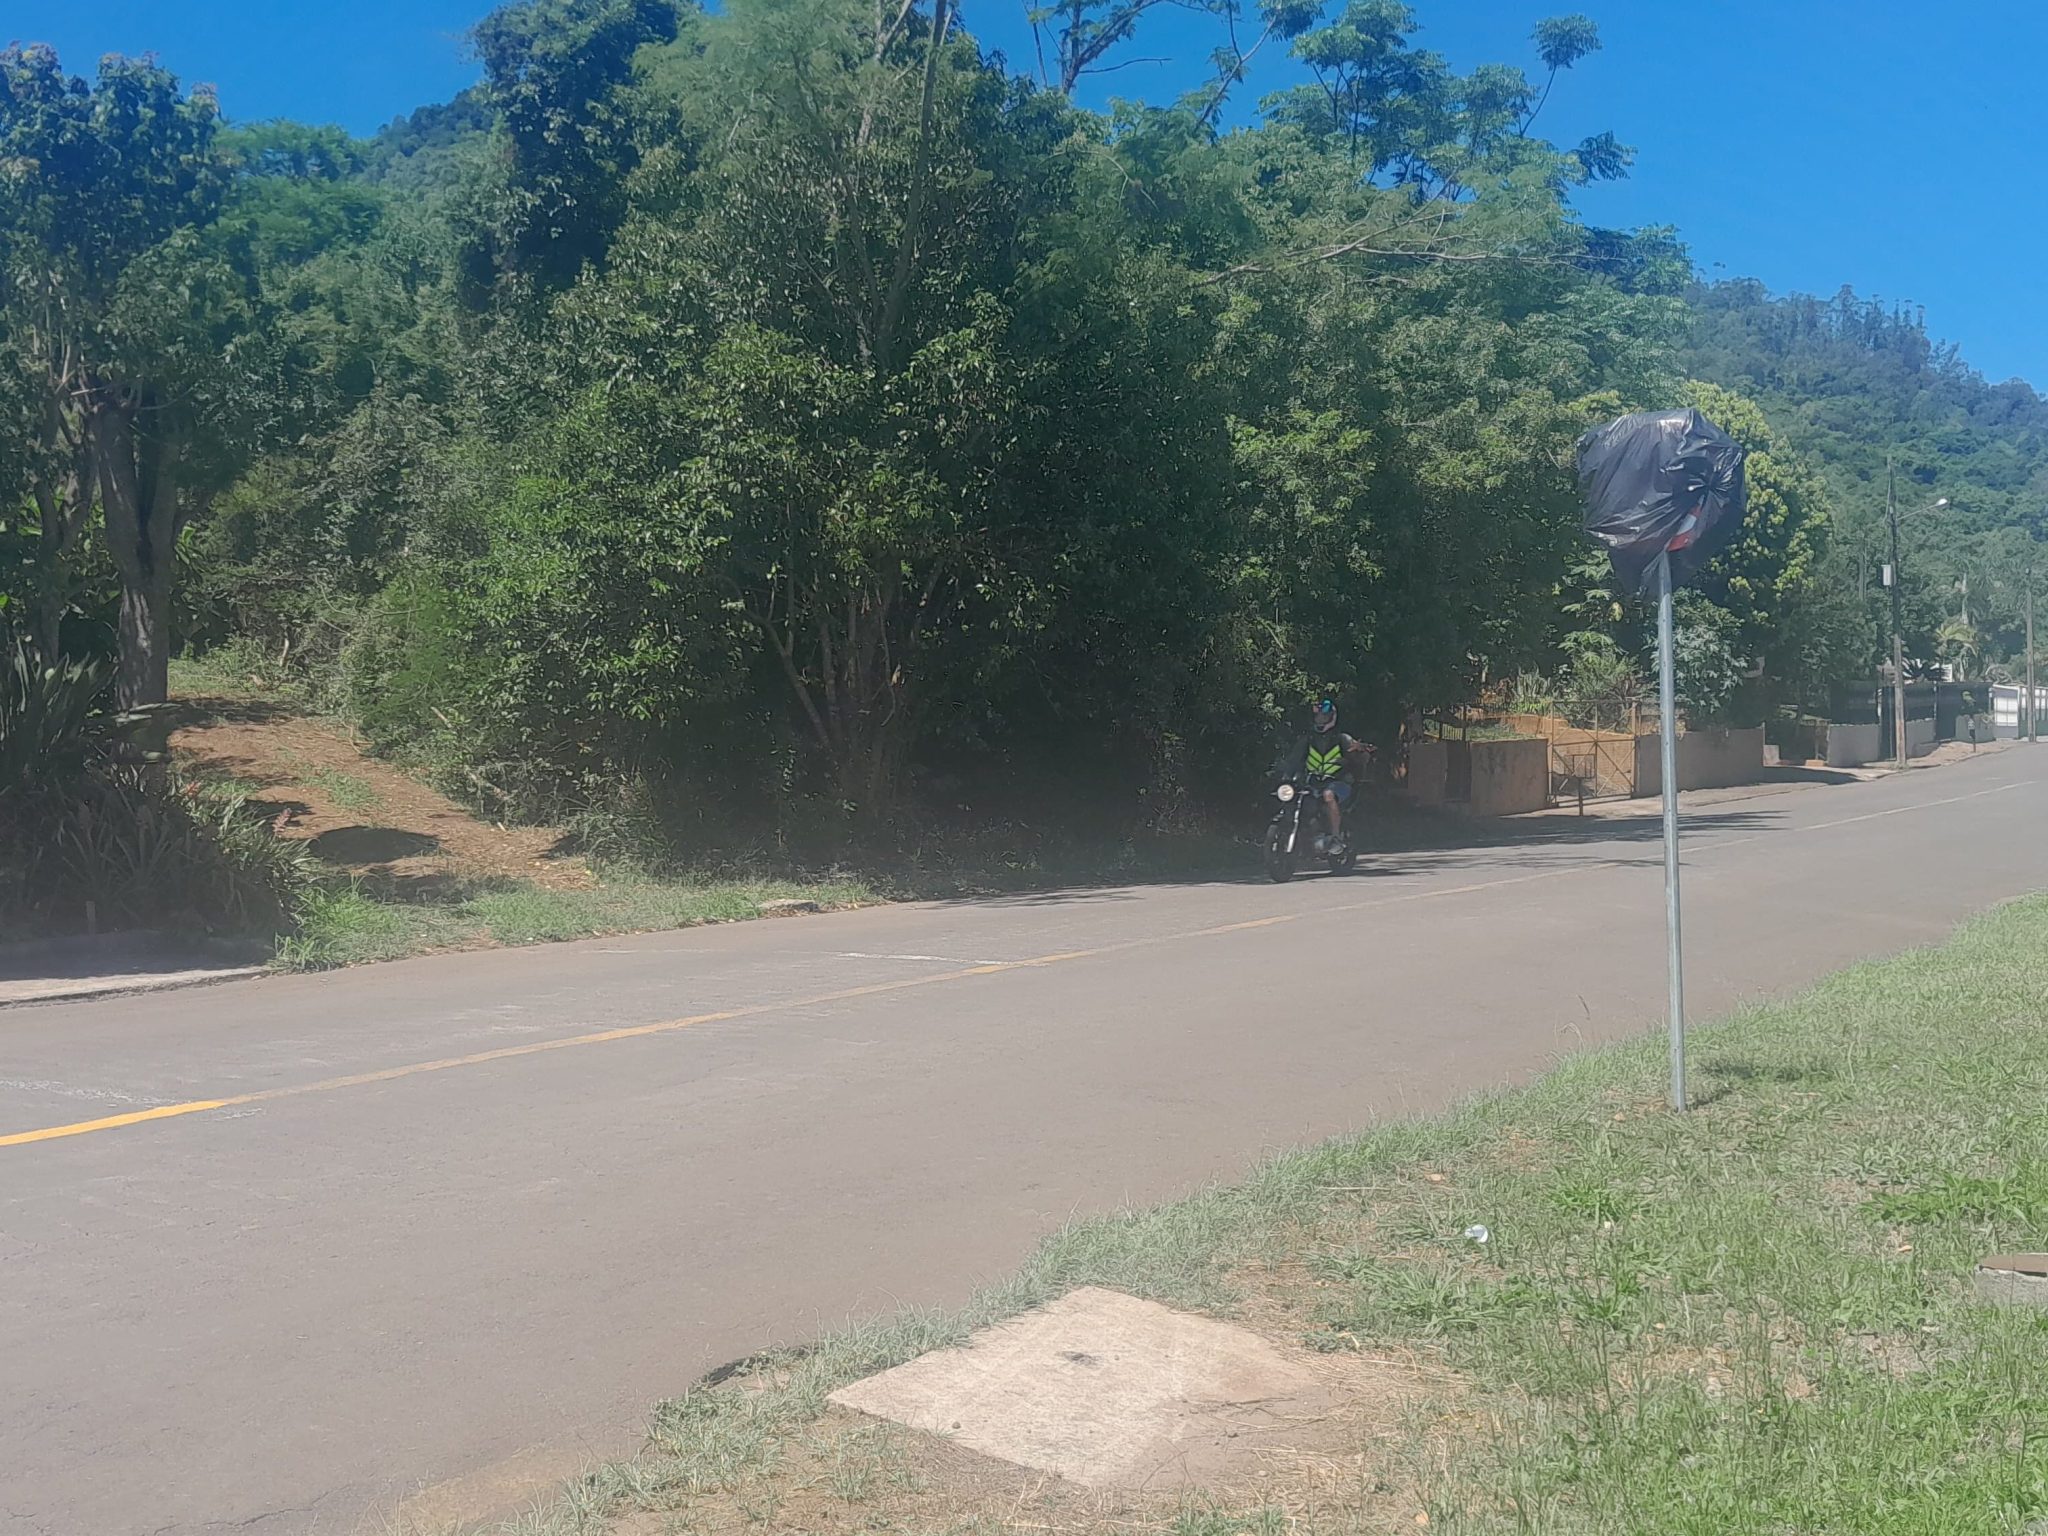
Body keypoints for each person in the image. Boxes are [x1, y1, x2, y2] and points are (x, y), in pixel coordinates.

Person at [1275, 697, 1374, 852]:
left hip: (1339, 783)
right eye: (1318, 716)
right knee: (1296, 797)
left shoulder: (1342, 739)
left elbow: (1359, 757)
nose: (1320, 719)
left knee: (1328, 795)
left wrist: (1359, 753)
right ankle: (1306, 834)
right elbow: (1294, 759)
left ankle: (1336, 837)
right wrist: (1286, 776)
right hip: (1313, 783)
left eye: (1324, 716)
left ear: (1332, 717)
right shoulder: (1308, 739)